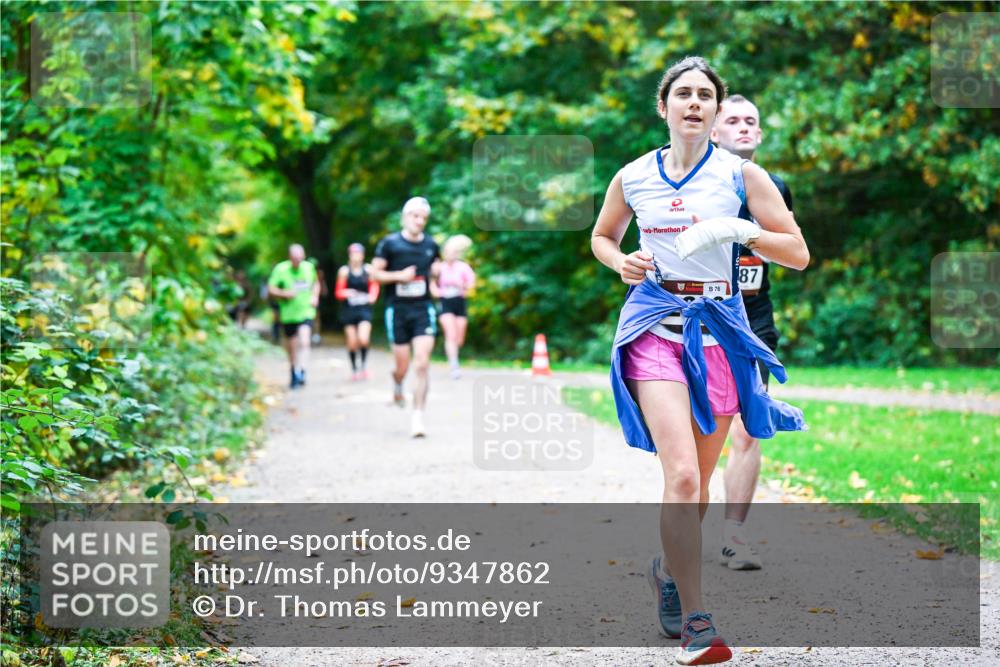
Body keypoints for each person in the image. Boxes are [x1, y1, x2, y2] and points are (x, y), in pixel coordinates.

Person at [590, 56, 809, 665]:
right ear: (663, 107)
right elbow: (603, 236)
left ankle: (666, 568)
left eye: (704, 96)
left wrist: (733, 231)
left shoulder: (743, 177)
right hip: (653, 326)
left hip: (719, 331)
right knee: (682, 475)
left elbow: (797, 253)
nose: (693, 103)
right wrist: (620, 262)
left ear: (716, 113)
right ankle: (697, 622)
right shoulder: (633, 176)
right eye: (682, 94)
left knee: (701, 484)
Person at [710, 94, 797, 571]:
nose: (743, 127)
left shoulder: (776, 187)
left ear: (760, 134)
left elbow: (792, 248)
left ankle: (734, 537)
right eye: (734, 121)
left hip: (754, 324)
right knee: (698, 437)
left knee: (747, 431)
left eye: (751, 122)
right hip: (699, 321)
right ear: (715, 131)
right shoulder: (698, 185)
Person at [370, 197, 440, 438]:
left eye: (423, 218)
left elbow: (433, 275)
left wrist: (436, 277)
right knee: (403, 365)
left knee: (422, 363)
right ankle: (398, 381)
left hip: (422, 310)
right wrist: (399, 276)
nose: (419, 221)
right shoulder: (389, 244)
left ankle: (418, 417)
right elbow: (375, 274)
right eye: (415, 216)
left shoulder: (431, 245)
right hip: (397, 310)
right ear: (405, 216)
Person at [267, 244, 320, 389]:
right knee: (292, 346)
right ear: (290, 257)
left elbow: (316, 283)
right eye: (295, 258)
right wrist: (284, 294)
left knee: (304, 342)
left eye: (300, 258)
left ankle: (302, 371)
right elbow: (271, 289)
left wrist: (315, 296)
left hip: (306, 312)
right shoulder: (281, 269)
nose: (298, 260)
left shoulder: (309, 267)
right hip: (289, 315)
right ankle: (293, 371)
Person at [335, 243, 380, 381]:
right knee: (352, 342)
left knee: (363, 338)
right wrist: (346, 293)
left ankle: (364, 366)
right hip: (349, 310)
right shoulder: (344, 271)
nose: (356, 256)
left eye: (359, 253)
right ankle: (355, 369)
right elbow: (338, 292)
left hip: (364, 309)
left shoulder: (368, 270)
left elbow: (374, 286)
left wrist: (372, 296)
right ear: (350, 255)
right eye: (354, 253)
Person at [437, 234, 476, 379]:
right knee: (450, 334)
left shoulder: (463, 267)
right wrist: (438, 292)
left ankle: (454, 357)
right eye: (447, 252)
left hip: (460, 302)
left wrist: (462, 285)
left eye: (453, 252)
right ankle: (454, 365)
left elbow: (471, 284)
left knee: (459, 338)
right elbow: (431, 285)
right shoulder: (439, 268)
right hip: (445, 302)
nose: (450, 255)